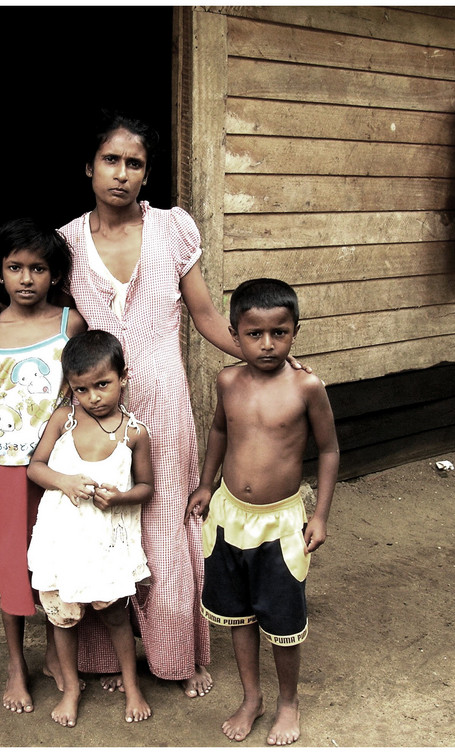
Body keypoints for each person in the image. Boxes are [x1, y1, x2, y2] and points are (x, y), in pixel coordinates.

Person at [0, 110, 307, 697]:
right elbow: (40, 305)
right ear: (90, 167)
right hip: (91, 412)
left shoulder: (173, 228)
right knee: (97, 521)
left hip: (165, 409)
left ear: (146, 173)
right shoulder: (67, 241)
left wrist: (262, 357)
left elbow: (204, 316)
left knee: (166, 527)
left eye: (135, 163)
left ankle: (176, 658)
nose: (122, 174)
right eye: (111, 161)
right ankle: (102, 662)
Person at [185, 278, 339, 746]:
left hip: (281, 524)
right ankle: (252, 698)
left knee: (283, 620)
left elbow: (329, 450)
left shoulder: (307, 386)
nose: (268, 344)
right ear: (235, 334)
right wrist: (205, 486)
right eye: (254, 334)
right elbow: (217, 433)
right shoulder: (227, 380)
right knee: (238, 614)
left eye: (280, 332)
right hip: (229, 517)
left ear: (295, 332)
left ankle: (288, 701)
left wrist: (321, 515)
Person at [0, 218, 87, 715]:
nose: (26, 278)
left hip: (56, 469)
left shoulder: (68, 324)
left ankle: (60, 658)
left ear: (54, 275)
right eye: (14, 267)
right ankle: (17, 664)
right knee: (13, 566)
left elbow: (81, 390)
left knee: (56, 563)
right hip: (5, 471)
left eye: (38, 268)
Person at [26, 330, 155, 727]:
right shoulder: (64, 420)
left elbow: (147, 489)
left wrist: (119, 498)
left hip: (105, 546)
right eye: (82, 389)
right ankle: (70, 687)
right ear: (71, 388)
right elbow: (36, 467)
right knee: (63, 616)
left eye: (103, 385)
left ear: (123, 377)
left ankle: (132, 686)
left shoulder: (134, 433)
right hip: (63, 541)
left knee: (116, 616)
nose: (94, 397)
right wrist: (64, 481)